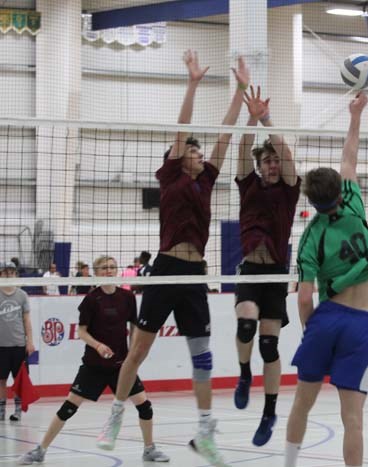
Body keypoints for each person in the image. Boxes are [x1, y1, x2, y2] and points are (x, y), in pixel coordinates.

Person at [96, 50, 250, 466]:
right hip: (165, 269)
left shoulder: (207, 180)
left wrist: (239, 89)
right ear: (181, 157)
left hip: (195, 272)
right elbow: (182, 130)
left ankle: (205, 431)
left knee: (202, 355)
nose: (199, 156)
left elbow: (226, 134)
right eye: (192, 153)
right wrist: (193, 82)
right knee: (138, 352)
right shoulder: (171, 176)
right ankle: (113, 417)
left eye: (201, 155)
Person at [285, 92, 368, 467]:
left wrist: (314, 327)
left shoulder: (310, 237)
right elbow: (350, 155)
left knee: (303, 402)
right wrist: (355, 114)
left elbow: (304, 297)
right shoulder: (355, 204)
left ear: (312, 202)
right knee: (353, 420)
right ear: (339, 193)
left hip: (326, 319)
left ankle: (289, 464)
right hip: (360, 322)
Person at [19, 256, 169, 464]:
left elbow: (134, 327)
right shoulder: (91, 299)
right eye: (104, 267)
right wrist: (97, 345)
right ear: (97, 272)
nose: (109, 270)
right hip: (94, 365)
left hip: (121, 366)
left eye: (112, 267)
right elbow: (81, 332)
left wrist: (135, 352)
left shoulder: (127, 297)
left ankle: (149, 449)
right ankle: (39, 450)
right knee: (68, 408)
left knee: (145, 406)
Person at [232, 84, 300, 447]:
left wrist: (269, 119)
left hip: (275, 272)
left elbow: (287, 155)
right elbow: (242, 150)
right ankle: (244, 374)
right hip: (249, 268)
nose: (273, 164)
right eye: (267, 161)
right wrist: (251, 118)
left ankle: (269, 412)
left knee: (270, 347)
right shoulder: (248, 186)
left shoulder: (289, 190)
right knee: (246, 324)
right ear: (259, 167)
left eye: (275, 161)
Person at [0, 261, 34, 422]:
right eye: (5, 272)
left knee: (19, 380)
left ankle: (18, 410)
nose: (9, 275)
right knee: (1, 380)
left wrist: (30, 341)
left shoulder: (22, 295)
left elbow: (27, 320)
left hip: (19, 345)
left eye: (11, 272)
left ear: (15, 274)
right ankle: (1, 410)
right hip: (1, 346)